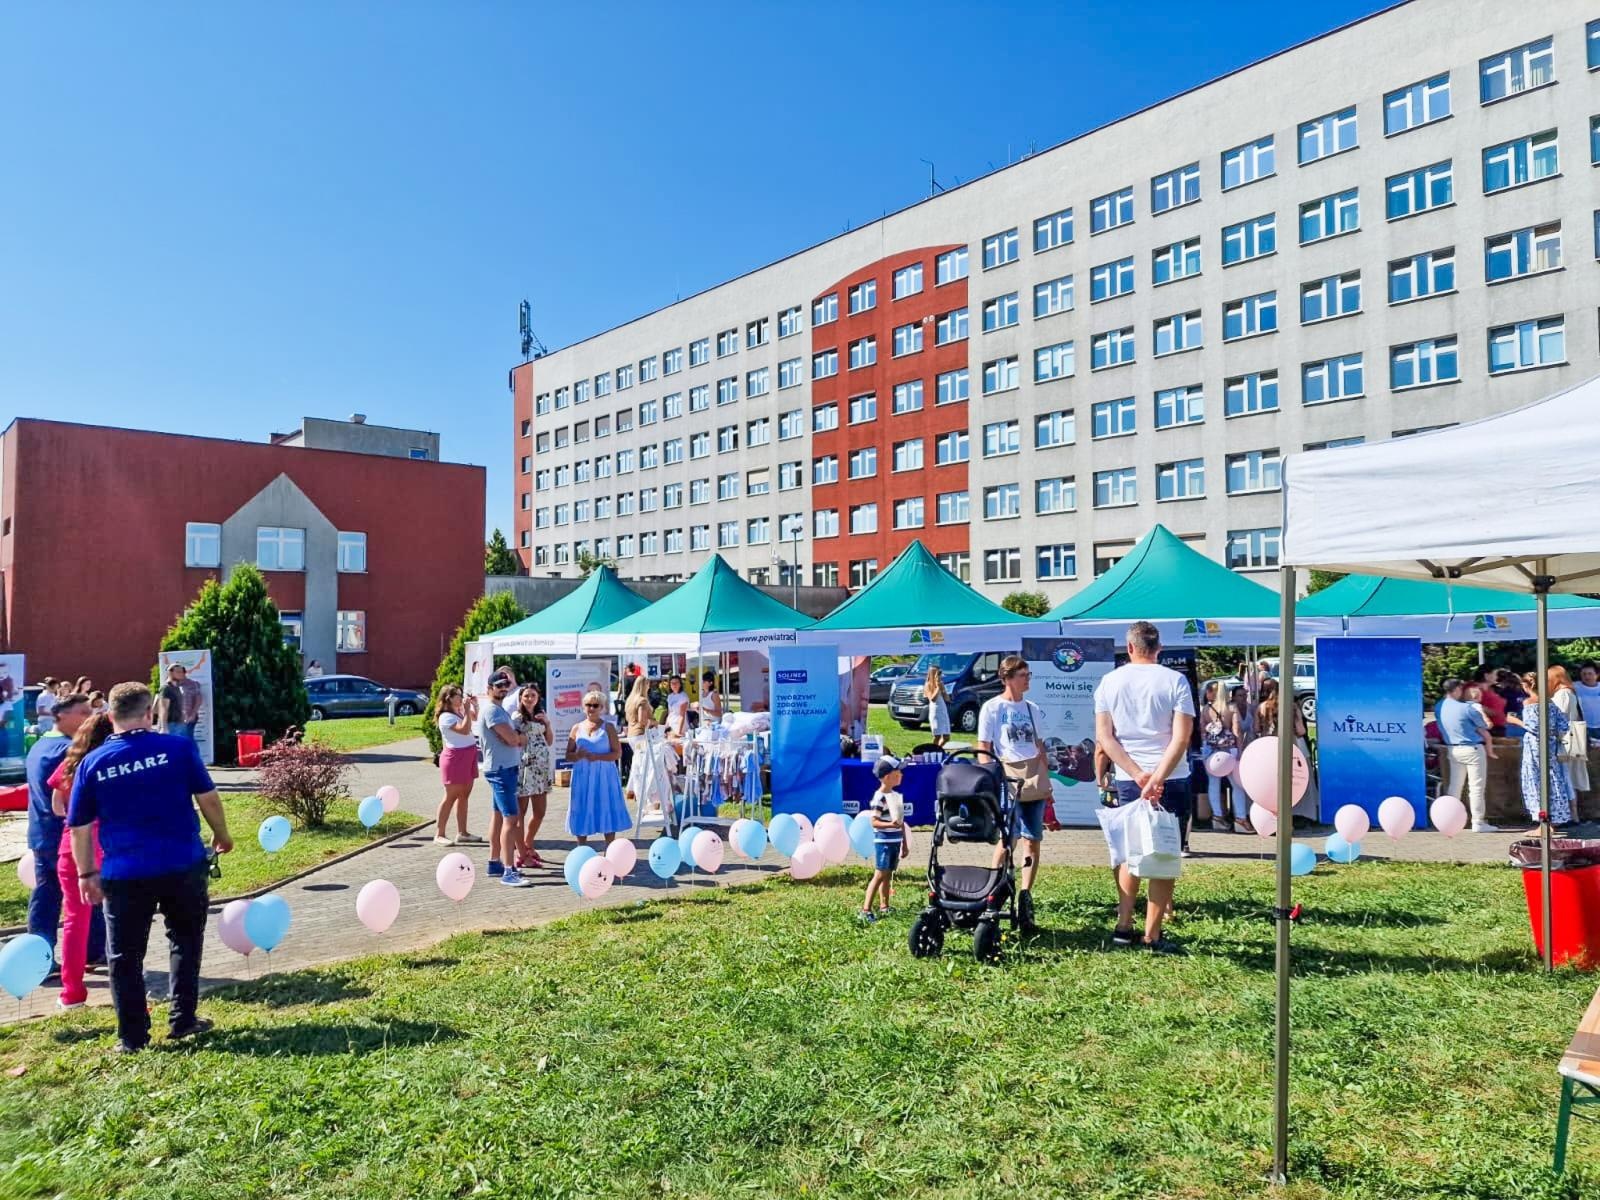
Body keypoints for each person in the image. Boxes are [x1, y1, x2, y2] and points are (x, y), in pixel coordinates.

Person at [69, 682, 233, 1053]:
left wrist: (86, 873)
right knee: (185, 941)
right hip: (182, 863)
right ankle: (183, 1019)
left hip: (124, 874)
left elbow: (79, 827)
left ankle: (132, 1038)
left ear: (110, 716)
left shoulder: (93, 763)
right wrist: (221, 835)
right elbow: (207, 797)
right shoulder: (178, 748)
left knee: (124, 956)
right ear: (149, 712)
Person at [1095, 621, 1195, 955]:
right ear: (1158, 648)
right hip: (1172, 777)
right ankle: (1152, 934)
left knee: (1130, 853)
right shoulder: (1175, 680)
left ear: (1129, 647)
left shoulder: (1110, 681)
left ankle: (1124, 926)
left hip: (1129, 779)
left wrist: (1139, 775)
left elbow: (1105, 738)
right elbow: (1182, 737)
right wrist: (1157, 778)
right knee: (1165, 853)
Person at [976, 655, 1049, 930]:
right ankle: (993, 890)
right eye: (1022, 675)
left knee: (1033, 839)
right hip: (1007, 778)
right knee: (1009, 838)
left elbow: (1039, 746)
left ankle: (1025, 896)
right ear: (1007, 678)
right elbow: (984, 747)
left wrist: (1047, 783)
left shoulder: (1032, 708)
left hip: (1033, 779)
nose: (1027, 679)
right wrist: (990, 779)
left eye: (1029, 675)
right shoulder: (993, 708)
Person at [49, 713, 114, 1008]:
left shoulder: (71, 763)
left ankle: (72, 993)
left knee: (75, 922)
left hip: (71, 847)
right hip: (109, 845)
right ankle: (128, 986)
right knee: (122, 917)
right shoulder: (110, 762)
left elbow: (57, 806)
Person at [25, 692, 92, 955]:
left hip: (41, 833)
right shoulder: (67, 751)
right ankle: (91, 950)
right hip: (63, 835)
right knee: (81, 894)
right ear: (61, 715)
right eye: (83, 713)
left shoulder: (40, 744)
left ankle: (40, 954)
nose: (89, 718)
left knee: (46, 895)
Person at [476, 669, 531, 887]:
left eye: (505, 686)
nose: (503, 689)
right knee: (511, 819)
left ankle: (494, 862)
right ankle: (509, 871)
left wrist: (516, 737)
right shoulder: (493, 711)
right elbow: (512, 739)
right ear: (489, 688)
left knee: (498, 816)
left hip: (502, 768)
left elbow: (511, 737)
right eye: (498, 686)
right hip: (501, 771)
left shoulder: (498, 709)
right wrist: (520, 737)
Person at [1434, 678, 1500, 833]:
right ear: (1457, 689)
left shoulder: (1439, 707)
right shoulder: (1466, 708)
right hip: (1472, 749)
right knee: (1476, 788)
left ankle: (1449, 820)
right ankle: (1478, 822)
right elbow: (1485, 725)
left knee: (1455, 786)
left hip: (1452, 749)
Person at [1509, 671, 1574, 827]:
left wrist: (1515, 721)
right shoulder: (1550, 702)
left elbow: (1533, 727)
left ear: (1526, 685)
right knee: (1553, 779)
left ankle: (1543, 823)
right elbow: (1563, 725)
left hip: (1534, 747)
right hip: (1551, 744)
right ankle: (1555, 819)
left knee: (1536, 780)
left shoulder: (1529, 703)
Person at [566, 690, 629, 845]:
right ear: (583, 707)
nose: (592, 708)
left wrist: (598, 757)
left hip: (604, 775)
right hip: (582, 774)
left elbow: (617, 753)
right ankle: (581, 848)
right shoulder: (576, 728)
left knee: (606, 806)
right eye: (589, 705)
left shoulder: (608, 728)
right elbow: (568, 755)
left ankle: (610, 848)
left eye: (596, 705)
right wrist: (577, 755)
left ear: (602, 708)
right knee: (581, 807)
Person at [1257, 682, 1319, 822]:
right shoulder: (1292, 707)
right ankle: (1299, 813)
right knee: (1298, 780)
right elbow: (1301, 730)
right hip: (1293, 745)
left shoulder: (1262, 707)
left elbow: (1256, 728)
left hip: (1269, 747)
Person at [433, 685, 483, 847]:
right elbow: (465, 729)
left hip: (468, 755)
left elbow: (474, 718)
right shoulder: (445, 717)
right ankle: (439, 834)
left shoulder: (459, 711)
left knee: (464, 795)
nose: (461, 698)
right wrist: (467, 710)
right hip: (455, 758)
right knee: (451, 796)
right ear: (448, 698)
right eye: (458, 696)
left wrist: (474, 706)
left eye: (461, 695)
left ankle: (463, 833)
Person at [512, 683, 554, 870]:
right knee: (521, 812)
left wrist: (547, 724)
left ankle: (528, 843)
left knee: (540, 811)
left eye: (533, 696)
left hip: (541, 769)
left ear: (538, 698)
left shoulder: (541, 715)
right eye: (526, 696)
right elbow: (517, 738)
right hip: (525, 767)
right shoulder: (516, 717)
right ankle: (520, 851)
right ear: (521, 698)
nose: (529, 699)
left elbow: (550, 740)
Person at [858, 755, 905, 922]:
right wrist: (891, 825)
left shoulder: (895, 796)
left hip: (895, 841)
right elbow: (874, 821)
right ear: (887, 777)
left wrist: (905, 844)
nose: (901, 774)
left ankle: (884, 906)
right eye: (897, 772)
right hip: (884, 841)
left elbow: (901, 822)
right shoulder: (879, 798)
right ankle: (865, 910)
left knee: (888, 875)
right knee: (879, 874)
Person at [1198, 682, 1241, 833]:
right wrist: (1239, 750)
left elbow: (1202, 731)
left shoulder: (1205, 709)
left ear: (1212, 693)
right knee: (1237, 785)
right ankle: (1240, 818)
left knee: (1213, 784)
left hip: (1211, 750)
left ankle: (1217, 817)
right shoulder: (1231, 708)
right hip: (1229, 749)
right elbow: (1236, 730)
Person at [1549, 665, 1589, 800]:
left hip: (1565, 740)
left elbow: (1559, 717)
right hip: (1571, 738)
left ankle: (1571, 810)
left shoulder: (1563, 694)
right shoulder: (1569, 692)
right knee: (1570, 777)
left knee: (1567, 777)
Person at [156, 664, 202, 740]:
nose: (181, 673)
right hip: (171, 724)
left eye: (182, 671)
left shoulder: (177, 687)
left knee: (186, 745)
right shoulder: (166, 688)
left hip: (181, 723)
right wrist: (164, 727)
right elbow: (163, 708)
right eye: (178, 672)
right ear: (170, 673)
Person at [1472, 667, 1508, 736]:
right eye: (1495, 674)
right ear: (1486, 676)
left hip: (1497, 728)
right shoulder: (1473, 689)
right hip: (1486, 730)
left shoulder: (1490, 689)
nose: (1497, 677)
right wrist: (1493, 712)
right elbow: (1470, 705)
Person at [925, 666, 952, 748]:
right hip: (935, 712)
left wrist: (943, 689)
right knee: (937, 736)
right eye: (938, 674)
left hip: (943, 710)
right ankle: (933, 750)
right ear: (933, 674)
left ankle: (938, 749)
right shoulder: (927, 685)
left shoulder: (941, 683)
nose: (940, 676)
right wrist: (937, 688)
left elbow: (947, 699)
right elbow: (932, 699)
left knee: (946, 737)